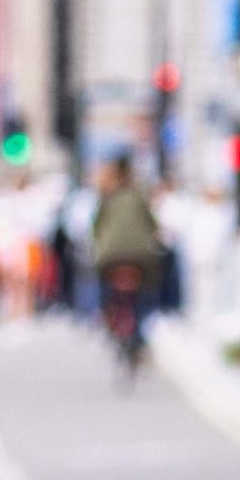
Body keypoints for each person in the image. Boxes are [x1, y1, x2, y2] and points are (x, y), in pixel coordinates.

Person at [84, 155, 169, 376]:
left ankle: (106, 315)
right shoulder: (139, 196)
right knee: (148, 289)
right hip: (141, 256)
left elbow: (95, 228)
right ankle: (140, 336)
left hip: (110, 256)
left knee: (102, 280)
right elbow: (153, 225)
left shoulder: (106, 198)